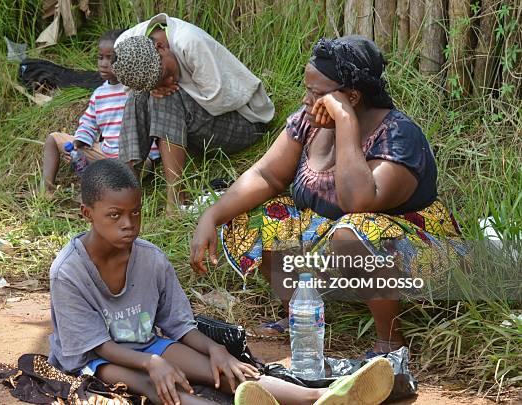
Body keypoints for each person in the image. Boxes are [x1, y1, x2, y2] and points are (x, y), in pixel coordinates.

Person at [190, 36, 465, 354]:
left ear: (352, 96)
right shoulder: (309, 123)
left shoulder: (398, 136)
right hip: (336, 243)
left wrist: (345, 122)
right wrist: (211, 216)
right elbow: (266, 175)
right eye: (307, 89)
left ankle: (389, 340)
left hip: (417, 253)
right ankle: (300, 314)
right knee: (252, 214)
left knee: (354, 229)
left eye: (317, 93)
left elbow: (359, 203)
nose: (306, 100)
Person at [47, 158, 394, 405]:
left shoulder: (150, 259)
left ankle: (318, 398)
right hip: (94, 359)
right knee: (155, 386)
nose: (128, 223)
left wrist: (216, 350)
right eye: (115, 215)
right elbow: (96, 346)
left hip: (147, 344)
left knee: (226, 373)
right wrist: (153, 364)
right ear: (87, 213)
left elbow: (180, 326)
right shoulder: (69, 272)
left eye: (135, 212)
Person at [110, 14, 275, 212]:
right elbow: (132, 89)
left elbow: (220, 98)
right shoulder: (124, 46)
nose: (169, 82)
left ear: (161, 47)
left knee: (165, 98)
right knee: (138, 98)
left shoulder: (189, 42)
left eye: (166, 74)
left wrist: (166, 89)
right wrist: (152, 88)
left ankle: (175, 201)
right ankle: (125, 189)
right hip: (196, 132)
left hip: (245, 122)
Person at [41, 29, 159, 194]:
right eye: (100, 57)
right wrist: (77, 144)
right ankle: (47, 191)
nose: (104, 63)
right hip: (106, 153)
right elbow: (89, 123)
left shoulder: (136, 87)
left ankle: (103, 191)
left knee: (125, 166)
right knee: (53, 139)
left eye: (111, 58)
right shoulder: (99, 94)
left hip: (136, 159)